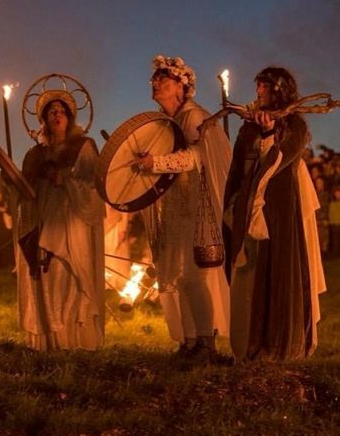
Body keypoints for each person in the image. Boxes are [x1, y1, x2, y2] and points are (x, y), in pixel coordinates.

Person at [224, 67, 326, 362]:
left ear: (279, 90)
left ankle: (280, 343)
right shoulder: (248, 126)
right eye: (257, 86)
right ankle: (249, 342)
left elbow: (281, 159)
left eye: (264, 88)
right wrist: (237, 199)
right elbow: (239, 165)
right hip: (248, 204)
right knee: (251, 271)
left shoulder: (294, 125)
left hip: (280, 208)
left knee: (278, 270)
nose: (258, 93)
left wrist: (269, 134)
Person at [137, 55, 231, 360]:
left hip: (195, 206)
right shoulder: (169, 121)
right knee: (178, 275)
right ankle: (190, 342)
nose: (156, 84)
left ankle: (207, 342)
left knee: (193, 275)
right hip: (176, 205)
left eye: (163, 80)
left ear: (181, 86)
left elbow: (194, 156)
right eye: (154, 80)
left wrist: (157, 163)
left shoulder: (192, 116)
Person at [11, 88, 105, 351]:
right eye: (51, 111)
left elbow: (95, 184)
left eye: (62, 111)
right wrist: (16, 183)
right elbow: (24, 191)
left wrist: (67, 181)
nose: (57, 115)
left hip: (72, 221)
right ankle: (50, 337)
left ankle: (73, 339)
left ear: (70, 116)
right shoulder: (35, 153)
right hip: (44, 219)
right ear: (43, 118)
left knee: (68, 274)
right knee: (47, 273)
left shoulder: (84, 147)